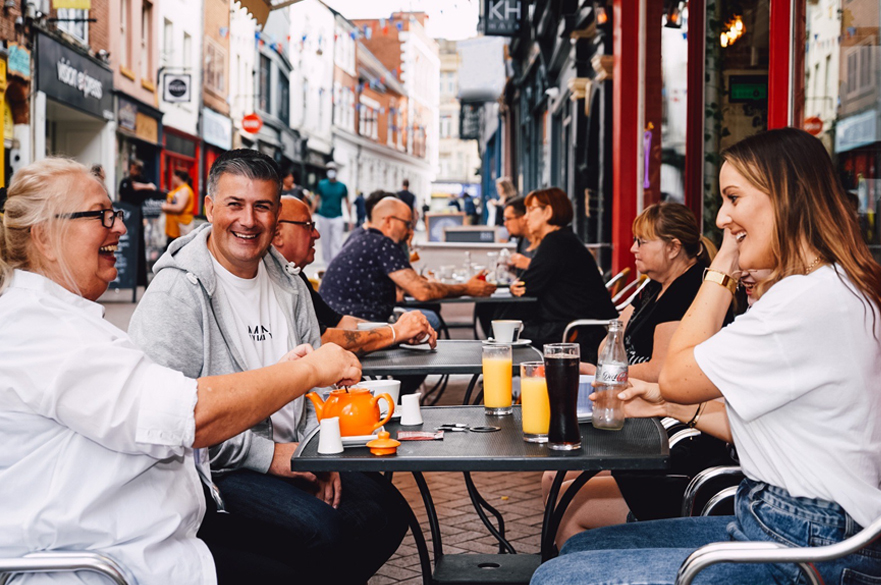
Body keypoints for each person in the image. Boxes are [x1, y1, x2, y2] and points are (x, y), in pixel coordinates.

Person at [532, 128, 881, 585]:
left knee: (556, 578)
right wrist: (664, 402)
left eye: (734, 198)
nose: (721, 219)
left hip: (808, 544)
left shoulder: (806, 300)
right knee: (579, 547)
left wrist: (720, 269)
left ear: (785, 197)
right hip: (789, 521)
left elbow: (678, 373)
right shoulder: (823, 290)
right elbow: (770, 424)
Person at [0, 157, 362, 584]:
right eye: (102, 215)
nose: (120, 227)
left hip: (155, 543)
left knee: (350, 525)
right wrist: (307, 373)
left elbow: (165, 406)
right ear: (44, 236)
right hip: (110, 562)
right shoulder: (41, 332)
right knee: (316, 548)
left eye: (114, 214)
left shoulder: (62, 320)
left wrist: (277, 383)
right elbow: (189, 416)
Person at [128, 149, 409, 585]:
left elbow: (319, 381)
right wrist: (272, 457)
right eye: (235, 205)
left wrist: (321, 450)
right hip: (216, 471)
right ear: (209, 207)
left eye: (261, 206)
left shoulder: (289, 281)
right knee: (324, 532)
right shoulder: (177, 292)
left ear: (276, 214)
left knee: (387, 512)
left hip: (297, 451)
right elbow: (168, 422)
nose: (248, 220)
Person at [543, 202, 733, 543]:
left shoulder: (688, 290)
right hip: (643, 415)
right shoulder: (653, 287)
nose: (632, 249)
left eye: (641, 241)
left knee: (563, 495)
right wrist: (604, 368)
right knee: (554, 476)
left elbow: (663, 370)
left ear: (674, 247)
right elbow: (611, 339)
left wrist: (608, 373)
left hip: (670, 437)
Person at [273, 196, 437, 353]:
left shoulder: (293, 275)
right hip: (355, 330)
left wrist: (397, 332)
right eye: (308, 225)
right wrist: (395, 333)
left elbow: (341, 322)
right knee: (432, 319)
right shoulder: (275, 278)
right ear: (277, 234)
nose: (317, 234)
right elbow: (321, 339)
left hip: (357, 326)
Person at [320, 196, 496, 323]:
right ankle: (404, 375)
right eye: (407, 224)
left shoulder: (363, 237)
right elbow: (422, 292)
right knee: (427, 323)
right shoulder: (382, 243)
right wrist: (467, 288)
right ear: (388, 221)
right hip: (355, 326)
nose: (410, 231)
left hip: (341, 323)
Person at [510, 188, 617, 362]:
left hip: (578, 331)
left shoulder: (555, 242)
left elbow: (528, 286)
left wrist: (518, 286)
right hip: (580, 325)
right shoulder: (563, 239)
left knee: (505, 329)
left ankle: (514, 382)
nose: (525, 217)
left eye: (531, 209)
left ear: (548, 212)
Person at [118, 158, 158, 287]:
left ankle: (139, 279)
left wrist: (140, 186)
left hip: (138, 219)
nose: (132, 170)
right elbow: (120, 198)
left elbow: (153, 188)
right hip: (126, 219)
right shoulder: (125, 182)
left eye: (135, 168)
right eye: (131, 168)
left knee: (138, 248)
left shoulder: (143, 182)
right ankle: (125, 278)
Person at [313, 162, 351, 263]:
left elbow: (347, 202)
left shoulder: (342, 186)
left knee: (337, 242)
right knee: (325, 242)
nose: (331, 172)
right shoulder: (322, 184)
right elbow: (316, 199)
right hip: (324, 216)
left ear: (336, 171)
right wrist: (310, 214)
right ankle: (327, 264)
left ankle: (335, 262)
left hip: (337, 216)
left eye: (333, 169)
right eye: (329, 169)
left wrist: (350, 219)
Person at [162, 169, 195, 245]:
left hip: (180, 227)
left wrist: (164, 207)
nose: (172, 178)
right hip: (174, 228)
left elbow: (179, 207)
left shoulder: (185, 189)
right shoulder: (179, 189)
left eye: (173, 176)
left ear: (178, 177)